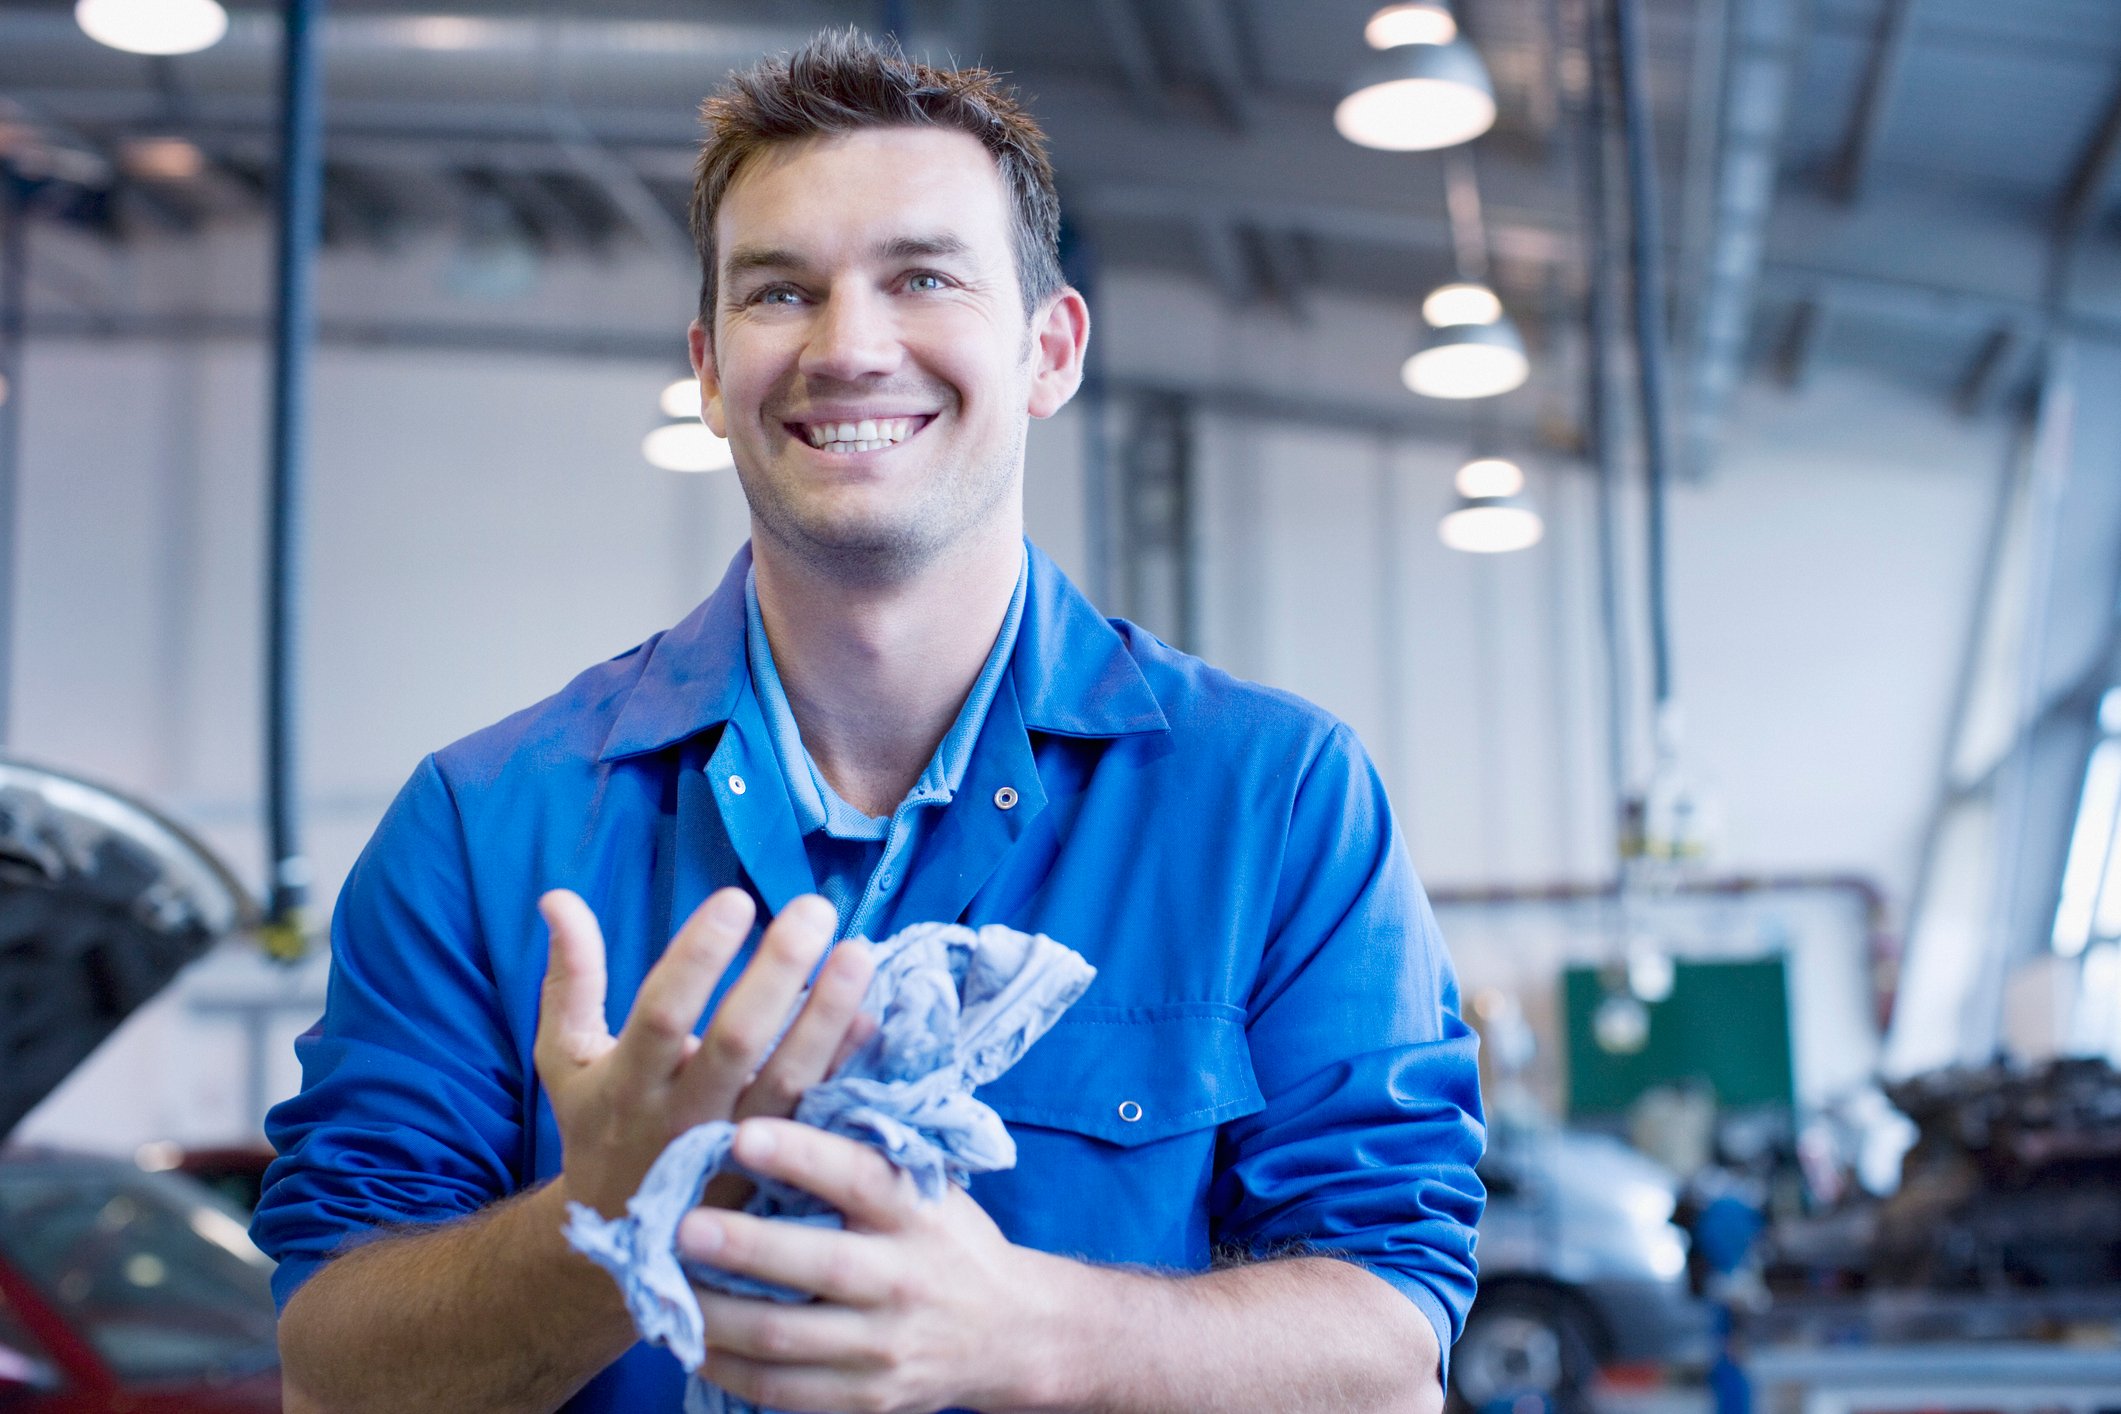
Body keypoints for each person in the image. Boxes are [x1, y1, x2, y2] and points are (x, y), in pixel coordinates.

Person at [254, 29, 1484, 1414]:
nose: (848, 347)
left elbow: (1389, 1339)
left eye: (922, 277)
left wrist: (1027, 1330)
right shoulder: (482, 828)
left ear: (1049, 348)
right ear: (711, 370)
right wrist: (596, 1227)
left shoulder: (1275, 801)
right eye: (782, 291)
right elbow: (330, 1367)